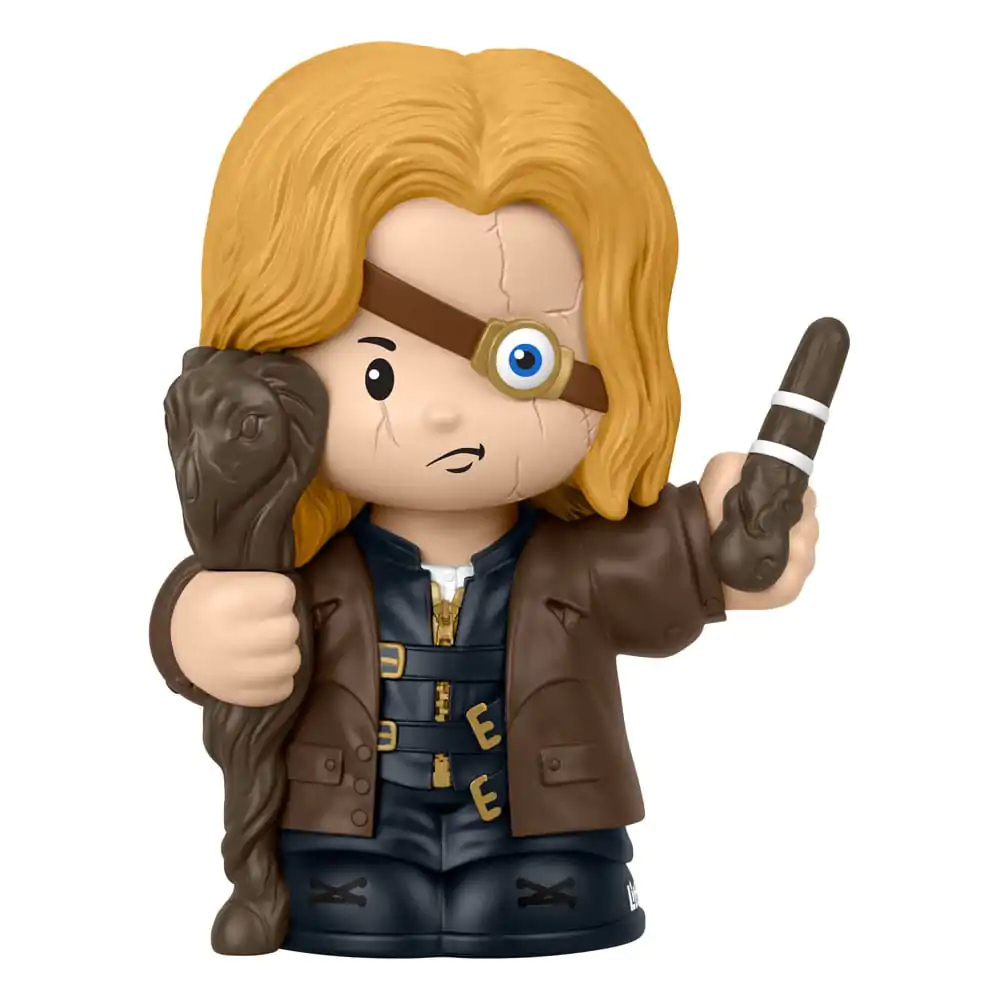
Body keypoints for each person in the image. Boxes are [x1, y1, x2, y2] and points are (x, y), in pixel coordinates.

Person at [149, 42, 819, 959]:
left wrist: (735, 550)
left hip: (545, 831)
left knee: (545, 892)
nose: (441, 412)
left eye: (521, 362)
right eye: (379, 370)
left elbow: (681, 571)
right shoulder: (306, 561)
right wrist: (198, 629)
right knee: (356, 896)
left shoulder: (572, 560)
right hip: (345, 830)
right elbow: (212, 613)